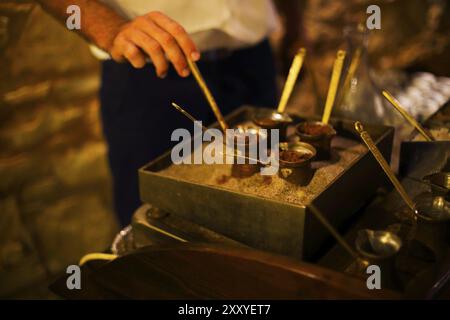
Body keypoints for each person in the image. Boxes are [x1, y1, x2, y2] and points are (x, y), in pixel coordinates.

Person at [37, 0, 280, 226]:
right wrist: (111, 29)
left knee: (264, 208)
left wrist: (291, 16)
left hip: (253, 60)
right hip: (149, 69)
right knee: (156, 226)